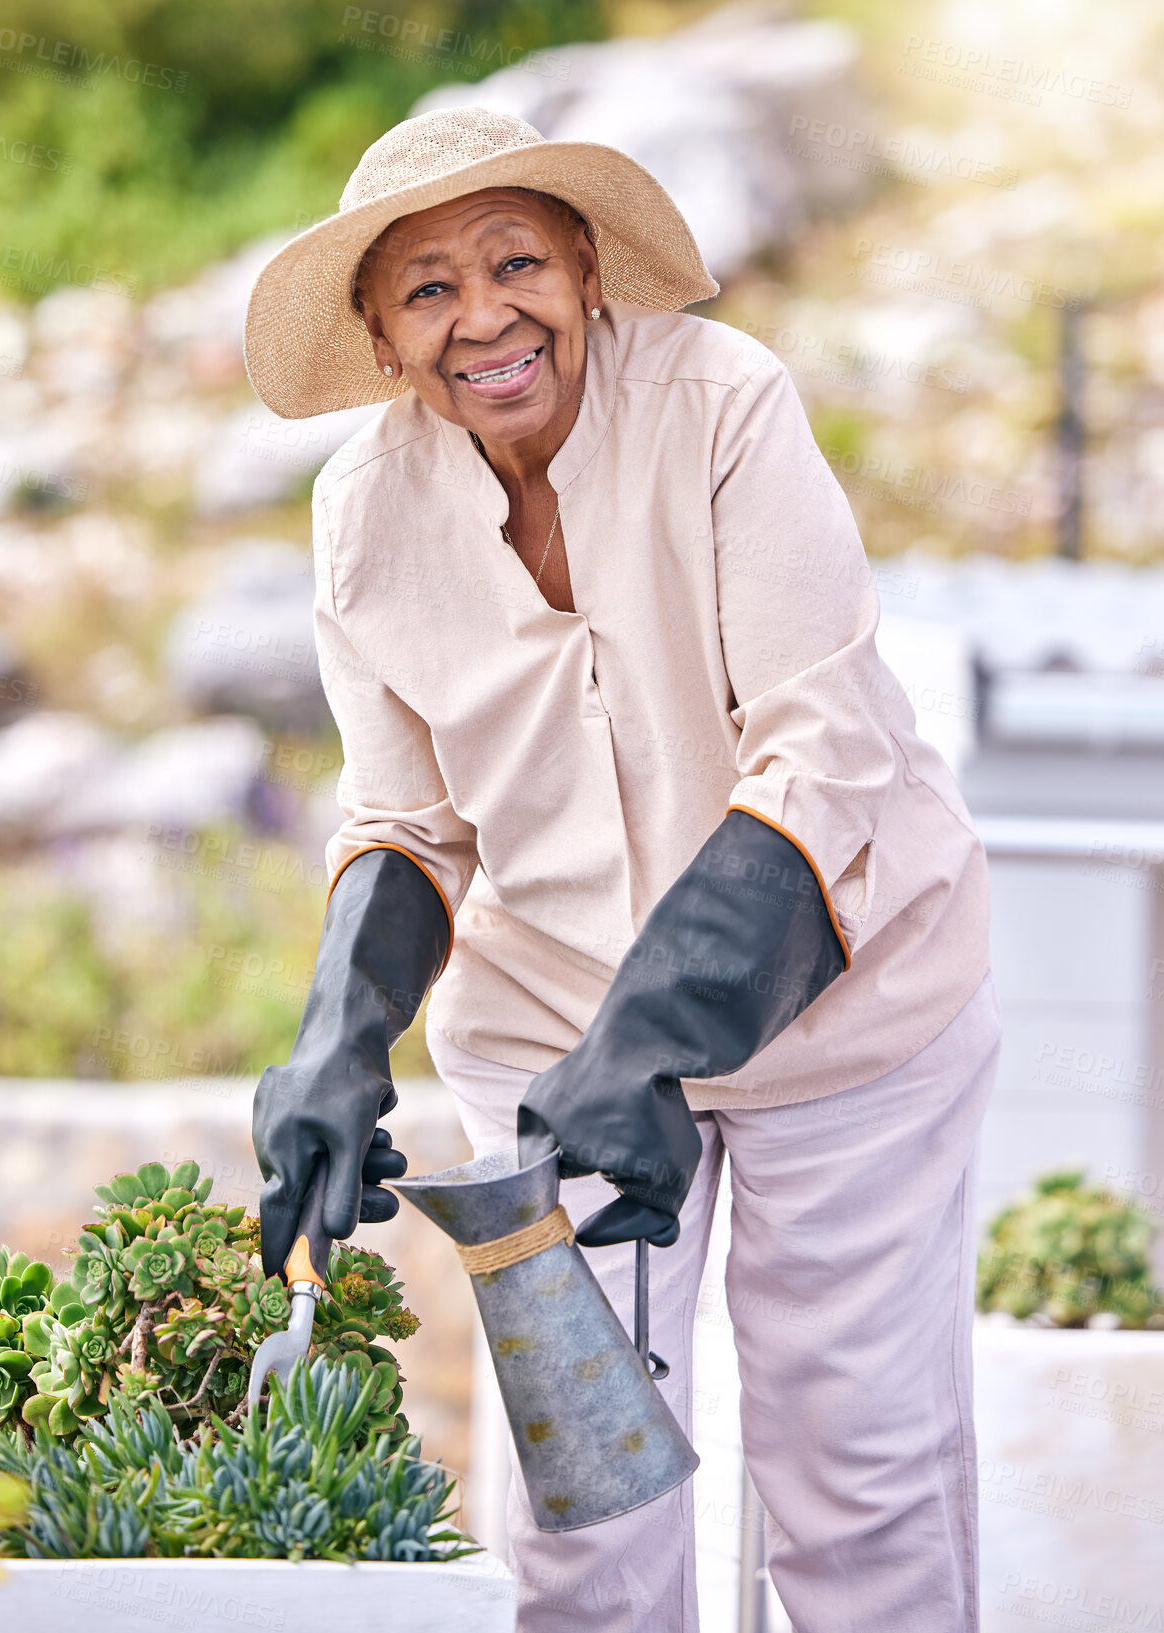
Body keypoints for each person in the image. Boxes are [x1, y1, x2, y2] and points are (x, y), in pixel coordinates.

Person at [244, 105, 998, 1633]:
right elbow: (408, 820)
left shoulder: (725, 405)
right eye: (429, 288)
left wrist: (656, 1030)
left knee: (854, 1480)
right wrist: (338, 1038)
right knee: (589, 1511)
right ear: (383, 338)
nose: (485, 316)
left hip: (842, 1011)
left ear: (586, 269)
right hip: (552, 1035)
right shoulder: (364, 515)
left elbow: (824, 751)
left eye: (516, 260)